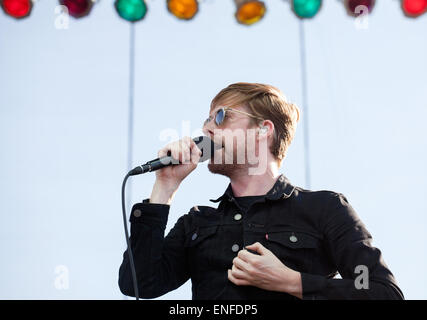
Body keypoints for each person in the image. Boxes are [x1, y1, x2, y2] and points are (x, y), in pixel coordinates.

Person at [118, 82, 404, 300]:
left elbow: (382, 291)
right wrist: (164, 187)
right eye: (205, 121)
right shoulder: (197, 223)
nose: (206, 129)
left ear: (263, 130)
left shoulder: (324, 209)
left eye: (220, 117)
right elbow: (138, 283)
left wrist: (292, 281)